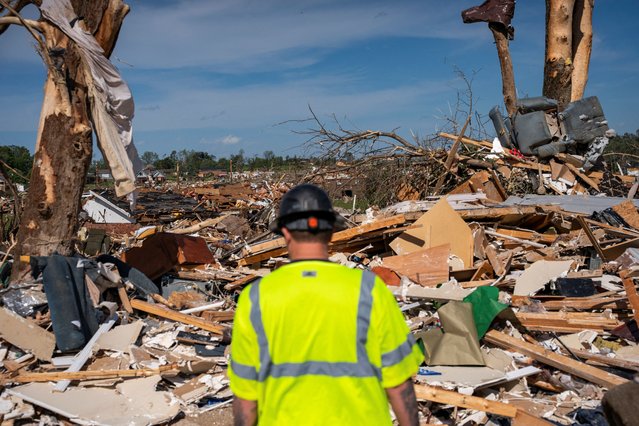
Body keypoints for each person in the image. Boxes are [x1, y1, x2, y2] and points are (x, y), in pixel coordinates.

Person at [229, 184, 423, 425]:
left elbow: (246, 398)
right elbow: (398, 384)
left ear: (286, 233)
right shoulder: (369, 290)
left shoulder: (256, 297)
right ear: (331, 231)